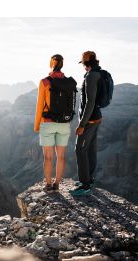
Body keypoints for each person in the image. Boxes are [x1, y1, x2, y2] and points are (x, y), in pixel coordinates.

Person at [34, 54, 76, 193]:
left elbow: (40, 105)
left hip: (48, 122)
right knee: (61, 156)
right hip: (64, 123)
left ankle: (48, 185)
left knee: (48, 157)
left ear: (51, 64)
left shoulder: (45, 82)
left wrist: (36, 125)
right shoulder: (69, 82)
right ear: (62, 65)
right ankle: (57, 184)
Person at [70, 51, 102, 196]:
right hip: (97, 117)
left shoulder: (90, 76)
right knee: (90, 148)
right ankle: (89, 179)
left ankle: (85, 184)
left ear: (86, 63)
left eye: (83, 63)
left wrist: (82, 124)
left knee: (79, 149)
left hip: (89, 119)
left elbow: (90, 102)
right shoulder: (98, 73)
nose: (82, 66)